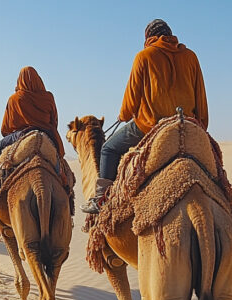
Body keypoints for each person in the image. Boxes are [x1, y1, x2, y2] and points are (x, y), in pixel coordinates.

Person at [81, 19, 209, 214]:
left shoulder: (144, 56)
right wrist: (200, 126)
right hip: (186, 125)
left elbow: (131, 101)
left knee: (108, 149)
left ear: (148, 38)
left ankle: (101, 200)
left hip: (149, 126)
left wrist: (123, 115)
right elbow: (201, 95)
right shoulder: (191, 56)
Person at [0, 66, 65, 193]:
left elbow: (5, 128)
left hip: (21, 135)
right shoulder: (48, 97)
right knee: (61, 166)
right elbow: (54, 121)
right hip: (46, 134)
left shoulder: (14, 99)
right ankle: (66, 189)